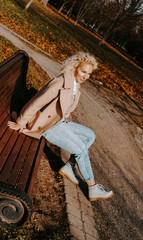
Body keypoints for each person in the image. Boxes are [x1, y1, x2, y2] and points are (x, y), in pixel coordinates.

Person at [7, 52, 113, 201]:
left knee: (90, 135)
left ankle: (70, 166)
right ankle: (92, 187)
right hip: (49, 126)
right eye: (83, 71)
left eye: (89, 74)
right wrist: (20, 122)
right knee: (81, 149)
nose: (85, 76)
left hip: (60, 122)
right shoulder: (61, 82)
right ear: (75, 67)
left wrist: (67, 114)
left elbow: (65, 104)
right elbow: (37, 101)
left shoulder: (76, 85)